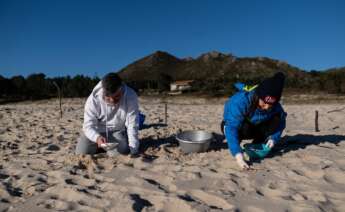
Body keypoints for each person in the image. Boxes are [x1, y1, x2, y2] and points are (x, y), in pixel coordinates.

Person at [222, 72, 287, 170]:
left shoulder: (275, 106)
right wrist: (238, 155)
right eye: (264, 103)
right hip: (239, 127)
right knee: (234, 132)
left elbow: (281, 121)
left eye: (271, 105)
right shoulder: (240, 101)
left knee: (276, 119)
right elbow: (231, 126)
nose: (266, 107)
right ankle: (235, 143)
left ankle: (256, 144)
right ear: (258, 95)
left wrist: (274, 138)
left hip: (257, 127)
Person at [75, 73, 140, 157]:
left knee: (120, 152)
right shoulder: (93, 99)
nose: (112, 100)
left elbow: (132, 124)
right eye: (108, 97)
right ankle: (99, 146)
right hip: (96, 131)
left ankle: (105, 147)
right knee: (81, 153)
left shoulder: (131, 96)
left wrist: (134, 150)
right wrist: (97, 137)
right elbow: (88, 126)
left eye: (116, 96)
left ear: (121, 88)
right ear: (103, 90)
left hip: (117, 130)